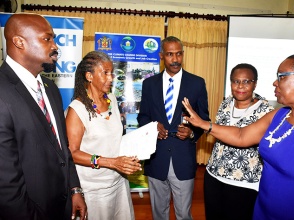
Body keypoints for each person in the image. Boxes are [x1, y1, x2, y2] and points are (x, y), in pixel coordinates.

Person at [182, 53, 294, 220]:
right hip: (263, 210)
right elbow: (242, 135)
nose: (275, 82)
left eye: (281, 77)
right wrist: (203, 124)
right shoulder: (280, 115)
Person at [0, 13, 87, 220]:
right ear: (19, 42)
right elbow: (6, 183)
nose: (55, 46)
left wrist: (74, 189)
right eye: (47, 39)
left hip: (62, 205)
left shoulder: (50, 88)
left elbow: (62, 148)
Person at [137, 36, 210, 220]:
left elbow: (204, 120)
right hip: (157, 158)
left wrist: (192, 132)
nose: (175, 59)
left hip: (183, 159)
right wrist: (153, 127)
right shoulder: (149, 84)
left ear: (183, 54)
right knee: (158, 213)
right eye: (170, 54)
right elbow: (143, 116)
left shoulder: (197, 83)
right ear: (162, 56)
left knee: (184, 214)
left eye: (178, 54)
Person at [65, 51, 142, 220]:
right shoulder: (77, 110)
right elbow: (72, 153)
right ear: (89, 76)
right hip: (94, 189)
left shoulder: (112, 100)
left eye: (111, 72)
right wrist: (111, 162)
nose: (111, 78)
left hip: (118, 181)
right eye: (105, 73)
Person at [204, 63, 274, 220]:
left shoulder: (266, 111)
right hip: (214, 175)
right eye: (236, 81)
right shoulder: (225, 104)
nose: (240, 86)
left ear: (255, 83)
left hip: (244, 181)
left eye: (247, 81)